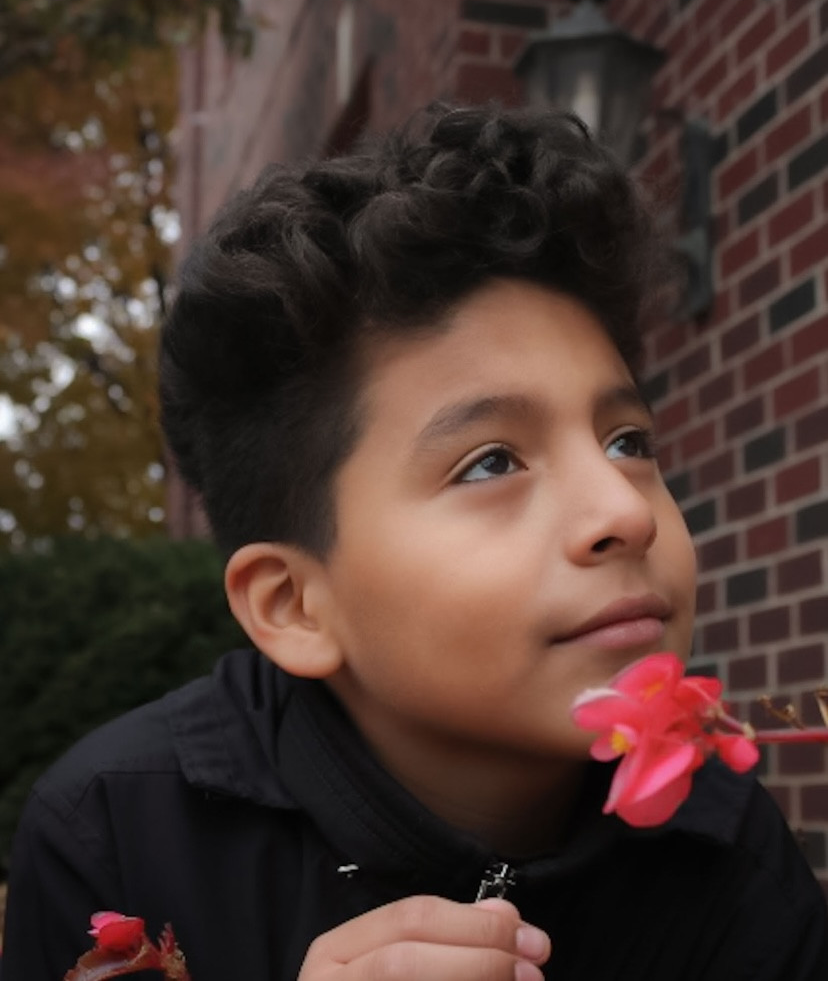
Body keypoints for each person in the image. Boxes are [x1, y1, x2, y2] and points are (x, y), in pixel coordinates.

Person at [2, 102, 827, 981]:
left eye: (629, 442)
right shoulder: (119, 838)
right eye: (491, 462)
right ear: (295, 606)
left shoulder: (725, 844)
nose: (625, 513)